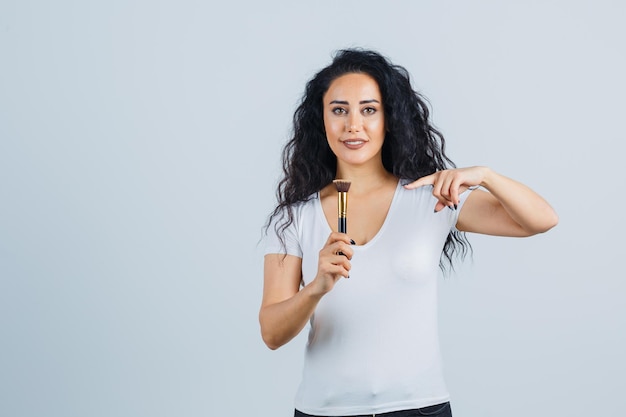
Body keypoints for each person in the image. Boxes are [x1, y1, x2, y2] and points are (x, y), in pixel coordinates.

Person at [259, 48, 558, 417]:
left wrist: (486, 176)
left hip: (418, 408)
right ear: (321, 120)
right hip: (324, 410)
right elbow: (271, 332)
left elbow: (541, 219)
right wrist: (316, 287)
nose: (353, 124)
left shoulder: (430, 200)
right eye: (339, 110)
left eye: (369, 109)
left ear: (389, 119)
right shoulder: (295, 216)